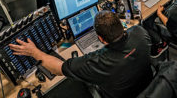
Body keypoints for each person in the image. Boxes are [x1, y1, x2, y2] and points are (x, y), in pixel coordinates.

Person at [10, 11, 153, 98]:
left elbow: (58, 68)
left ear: (101, 39)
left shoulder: (97, 61)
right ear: (121, 26)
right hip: (148, 85)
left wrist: (35, 52)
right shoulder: (140, 32)